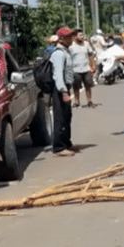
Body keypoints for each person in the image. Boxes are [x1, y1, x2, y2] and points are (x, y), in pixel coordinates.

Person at [49, 27, 77, 157]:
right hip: (60, 88)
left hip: (65, 86)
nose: (71, 39)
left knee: (67, 116)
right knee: (60, 118)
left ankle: (66, 142)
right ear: (60, 38)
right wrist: (63, 91)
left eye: (71, 36)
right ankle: (59, 147)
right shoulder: (59, 53)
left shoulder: (66, 51)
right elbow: (58, 75)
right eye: (68, 37)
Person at [69, 30, 97, 108]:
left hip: (86, 69)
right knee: (76, 87)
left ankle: (89, 101)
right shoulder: (71, 46)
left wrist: (93, 66)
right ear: (75, 37)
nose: (82, 37)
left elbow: (91, 55)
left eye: (83, 35)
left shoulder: (86, 44)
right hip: (75, 70)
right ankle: (77, 102)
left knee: (88, 85)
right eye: (80, 35)